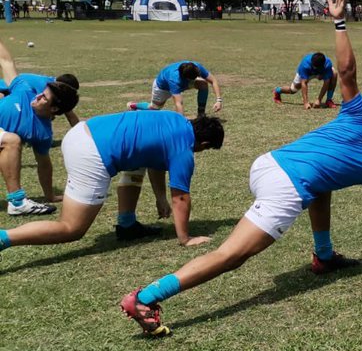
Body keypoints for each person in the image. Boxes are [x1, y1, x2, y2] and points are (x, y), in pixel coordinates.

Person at [118, 0, 362, 338]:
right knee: (231, 255)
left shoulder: (357, 115)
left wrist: (339, 21)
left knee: (323, 184)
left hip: (266, 164)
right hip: (284, 187)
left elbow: (347, 71)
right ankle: (145, 297)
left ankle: (323, 256)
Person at [0, 108, 221, 259]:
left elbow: (155, 160)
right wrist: (185, 238)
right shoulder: (184, 149)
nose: (199, 152)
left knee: (138, 162)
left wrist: (160, 198)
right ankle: (4, 238)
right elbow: (181, 197)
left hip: (82, 131)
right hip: (90, 153)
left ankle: (127, 224)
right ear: (204, 143)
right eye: (204, 149)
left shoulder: (174, 119)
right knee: (71, 228)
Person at [0, 76, 79, 216]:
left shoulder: (42, 133)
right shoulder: (23, 86)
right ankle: (18, 202)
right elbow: (7, 67)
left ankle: (17, 202)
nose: (38, 95)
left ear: (54, 108)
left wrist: (50, 196)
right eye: (42, 92)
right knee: (12, 140)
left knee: (12, 141)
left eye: (44, 97)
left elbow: (44, 164)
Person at [130, 61, 223, 117]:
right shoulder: (174, 79)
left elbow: (213, 80)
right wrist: (181, 123)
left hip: (184, 80)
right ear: (187, 78)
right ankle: (133, 105)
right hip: (162, 87)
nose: (199, 75)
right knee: (154, 108)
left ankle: (201, 115)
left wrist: (219, 100)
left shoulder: (196, 67)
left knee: (203, 84)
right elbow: (178, 103)